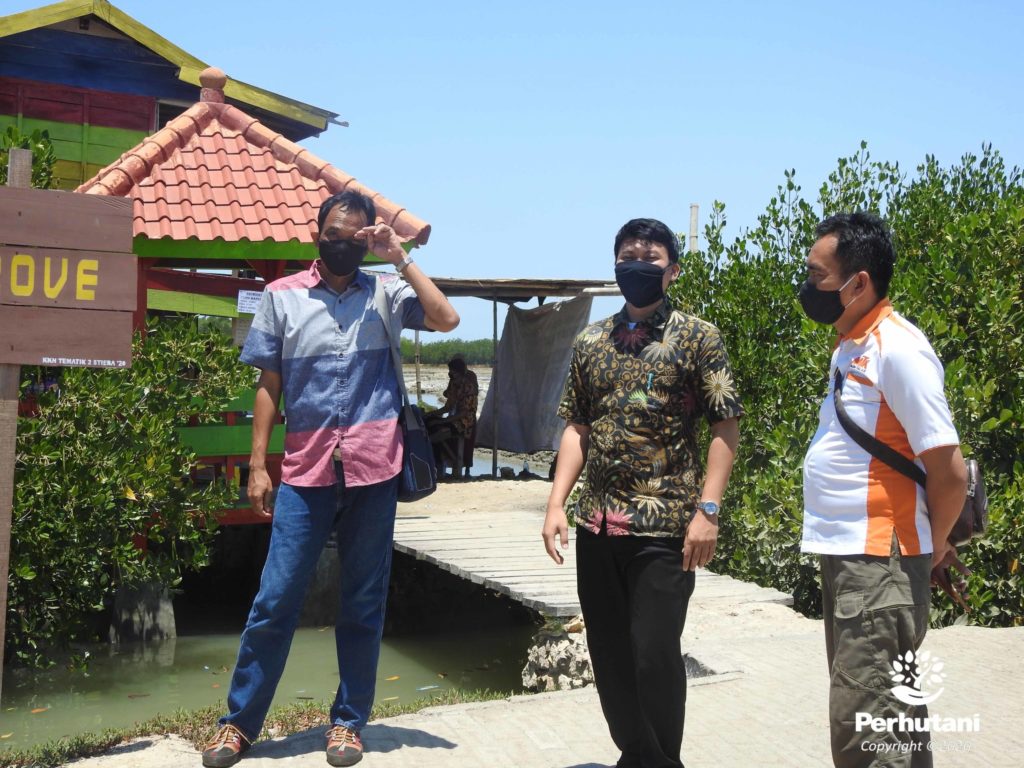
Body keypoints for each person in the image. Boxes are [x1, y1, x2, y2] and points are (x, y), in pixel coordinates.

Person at [201, 191, 459, 768]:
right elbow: (268, 384)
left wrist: (398, 256)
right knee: (275, 599)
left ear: (369, 238)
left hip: (375, 469)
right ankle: (239, 724)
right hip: (305, 471)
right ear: (317, 234)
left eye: (354, 235)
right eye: (332, 233)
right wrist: (258, 464)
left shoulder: (387, 293)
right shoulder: (281, 297)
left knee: (363, 601)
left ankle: (347, 723)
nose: (341, 243)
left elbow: (446, 318)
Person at [542, 218, 742, 768]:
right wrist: (557, 503)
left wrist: (708, 510)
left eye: (650, 257)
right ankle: (637, 756)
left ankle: (663, 761)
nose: (637, 265)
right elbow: (577, 427)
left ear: (672, 270)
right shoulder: (591, 341)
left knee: (654, 654)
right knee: (609, 657)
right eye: (628, 256)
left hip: (666, 527)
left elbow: (725, 427)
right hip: (597, 525)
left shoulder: (698, 338)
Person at [799, 212, 968, 767]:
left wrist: (933, 544)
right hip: (857, 556)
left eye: (817, 275)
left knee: (866, 727)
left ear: (859, 283)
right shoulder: (853, 343)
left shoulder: (898, 347)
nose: (808, 286)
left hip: (877, 560)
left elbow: (949, 470)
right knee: (890, 716)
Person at [425, 356, 479, 477]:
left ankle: (440, 468)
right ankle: (438, 466)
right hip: (455, 418)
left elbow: (464, 413)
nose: (451, 374)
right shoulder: (454, 385)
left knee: (436, 435)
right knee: (430, 424)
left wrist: (442, 421)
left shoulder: (468, 387)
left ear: (459, 372)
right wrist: (430, 414)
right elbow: (448, 407)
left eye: (453, 372)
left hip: (466, 422)